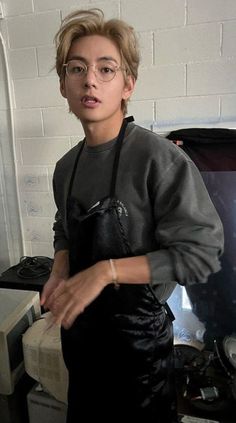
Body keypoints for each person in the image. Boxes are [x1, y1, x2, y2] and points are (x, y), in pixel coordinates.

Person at [40, 8, 224, 423]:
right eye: (77, 69)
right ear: (64, 86)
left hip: (139, 349)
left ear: (128, 85)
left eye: (106, 69)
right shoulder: (65, 167)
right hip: (82, 341)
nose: (90, 79)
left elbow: (202, 254)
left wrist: (106, 271)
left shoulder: (160, 159)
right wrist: (61, 266)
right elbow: (64, 228)